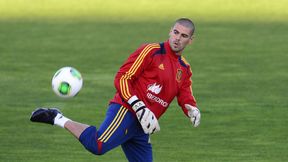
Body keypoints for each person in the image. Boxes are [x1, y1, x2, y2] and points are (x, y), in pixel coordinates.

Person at [30, 17, 201, 162]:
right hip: (126, 111)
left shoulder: (184, 68)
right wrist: (138, 105)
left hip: (144, 125)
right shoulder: (151, 51)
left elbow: (185, 95)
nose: (178, 38)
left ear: (190, 40)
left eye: (184, 35)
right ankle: (56, 117)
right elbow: (122, 78)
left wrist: (191, 109)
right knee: (98, 145)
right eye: (176, 32)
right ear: (170, 31)